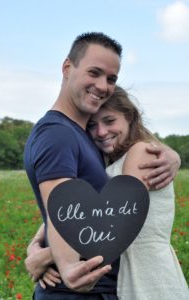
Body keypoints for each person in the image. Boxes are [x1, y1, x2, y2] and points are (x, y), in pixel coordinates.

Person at [24, 32, 181, 299]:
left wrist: (44, 253)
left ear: (130, 118)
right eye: (94, 72)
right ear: (67, 67)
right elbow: (64, 208)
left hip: (126, 280)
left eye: (111, 78)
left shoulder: (84, 139)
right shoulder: (59, 134)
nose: (102, 85)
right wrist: (43, 250)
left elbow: (94, 208)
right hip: (79, 290)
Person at [87, 85, 189, 300]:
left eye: (109, 121)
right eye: (92, 125)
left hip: (149, 274)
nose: (101, 132)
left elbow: (120, 218)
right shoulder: (110, 160)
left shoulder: (141, 151)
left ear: (130, 117)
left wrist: (53, 255)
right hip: (130, 270)